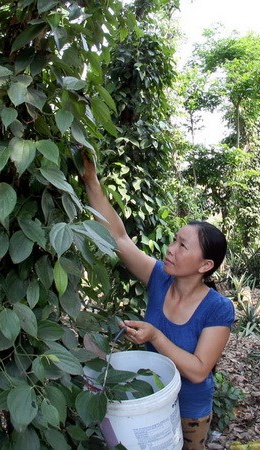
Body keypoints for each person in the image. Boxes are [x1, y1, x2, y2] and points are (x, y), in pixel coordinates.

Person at [80, 155, 235, 450]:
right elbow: (119, 238)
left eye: (182, 246)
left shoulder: (218, 308)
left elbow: (199, 370)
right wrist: (91, 181)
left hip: (191, 410)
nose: (170, 249)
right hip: (152, 398)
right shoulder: (160, 277)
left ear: (205, 265)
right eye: (174, 240)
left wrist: (155, 336)